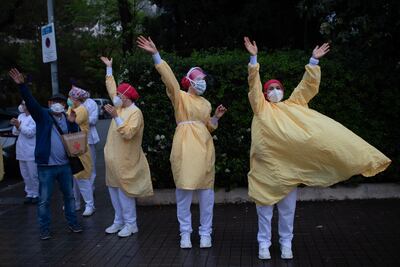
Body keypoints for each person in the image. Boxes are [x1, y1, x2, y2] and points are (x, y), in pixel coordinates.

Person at [243, 37, 391, 260]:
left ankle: (286, 245)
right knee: (264, 212)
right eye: (270, 88)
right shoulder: (261, 108)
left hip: (289, 171)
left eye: (277, 88)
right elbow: (253, 86)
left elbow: (306, 88)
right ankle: (263, 245)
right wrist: (254, 59)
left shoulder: (293, 106)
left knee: (287, 212)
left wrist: (313, 61)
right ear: (264, 94)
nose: (274, 90)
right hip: (265, 171)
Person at [137, 36, 227, 249]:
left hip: (204, 149)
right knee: (184, 192)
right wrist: (156, 55)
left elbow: (208, 126)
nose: (202, 81)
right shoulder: (179, 97)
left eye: (203, 77)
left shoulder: (206, 102)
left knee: (206, 194)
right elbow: (170, 80)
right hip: (185, 148)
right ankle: (185, 233)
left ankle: (206, 233)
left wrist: (215, 117)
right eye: (198, 77)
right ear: (189, 81)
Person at [8, 68, 83, 240]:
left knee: (69, 197)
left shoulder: (68, 118)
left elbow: (74, 141)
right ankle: (44, 229)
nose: (58, 104)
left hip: (64, 166)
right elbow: (31, 102)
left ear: (65, 105)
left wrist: (72, 124)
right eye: (54, 101)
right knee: (44, 200)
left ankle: (73, 223)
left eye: (61, 102)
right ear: (49, 104)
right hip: (46, 167)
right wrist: (22, 86)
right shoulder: (42, 115)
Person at [100, 56, 153, 238]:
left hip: (126, 160)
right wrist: (109, 69)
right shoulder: (121, 108)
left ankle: (131, 224)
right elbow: (111, 88)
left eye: (120, 96)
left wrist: (115, 116)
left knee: (125, 192)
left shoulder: (135, 112)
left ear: (127, 97)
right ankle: (119, 221)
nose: (116, 97)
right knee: (113, 190)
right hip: (113, 160)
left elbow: (128, 133)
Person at [67, 87, 95, 216]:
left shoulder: (82, 109)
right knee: (75, 178)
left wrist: (67, 110)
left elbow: (70, 121)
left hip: (81, 147)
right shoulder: (74, 109)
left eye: (70, 97)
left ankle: (90, 205)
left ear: (75, 98)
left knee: (83, 177)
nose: (69, 100)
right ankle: (76, 203)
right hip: (73, 146)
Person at [11, 101, 39, 204]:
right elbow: (15, 132)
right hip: (21, 150)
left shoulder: (34, 117)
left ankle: (37, 194)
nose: (23, 105)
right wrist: (17, 125)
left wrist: (19, 126)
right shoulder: (20, 116)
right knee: (25, 174)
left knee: (33, 174)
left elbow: (30, 133)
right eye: (22, 103)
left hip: (31, 150)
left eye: (24, 103)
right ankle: (29, 193)